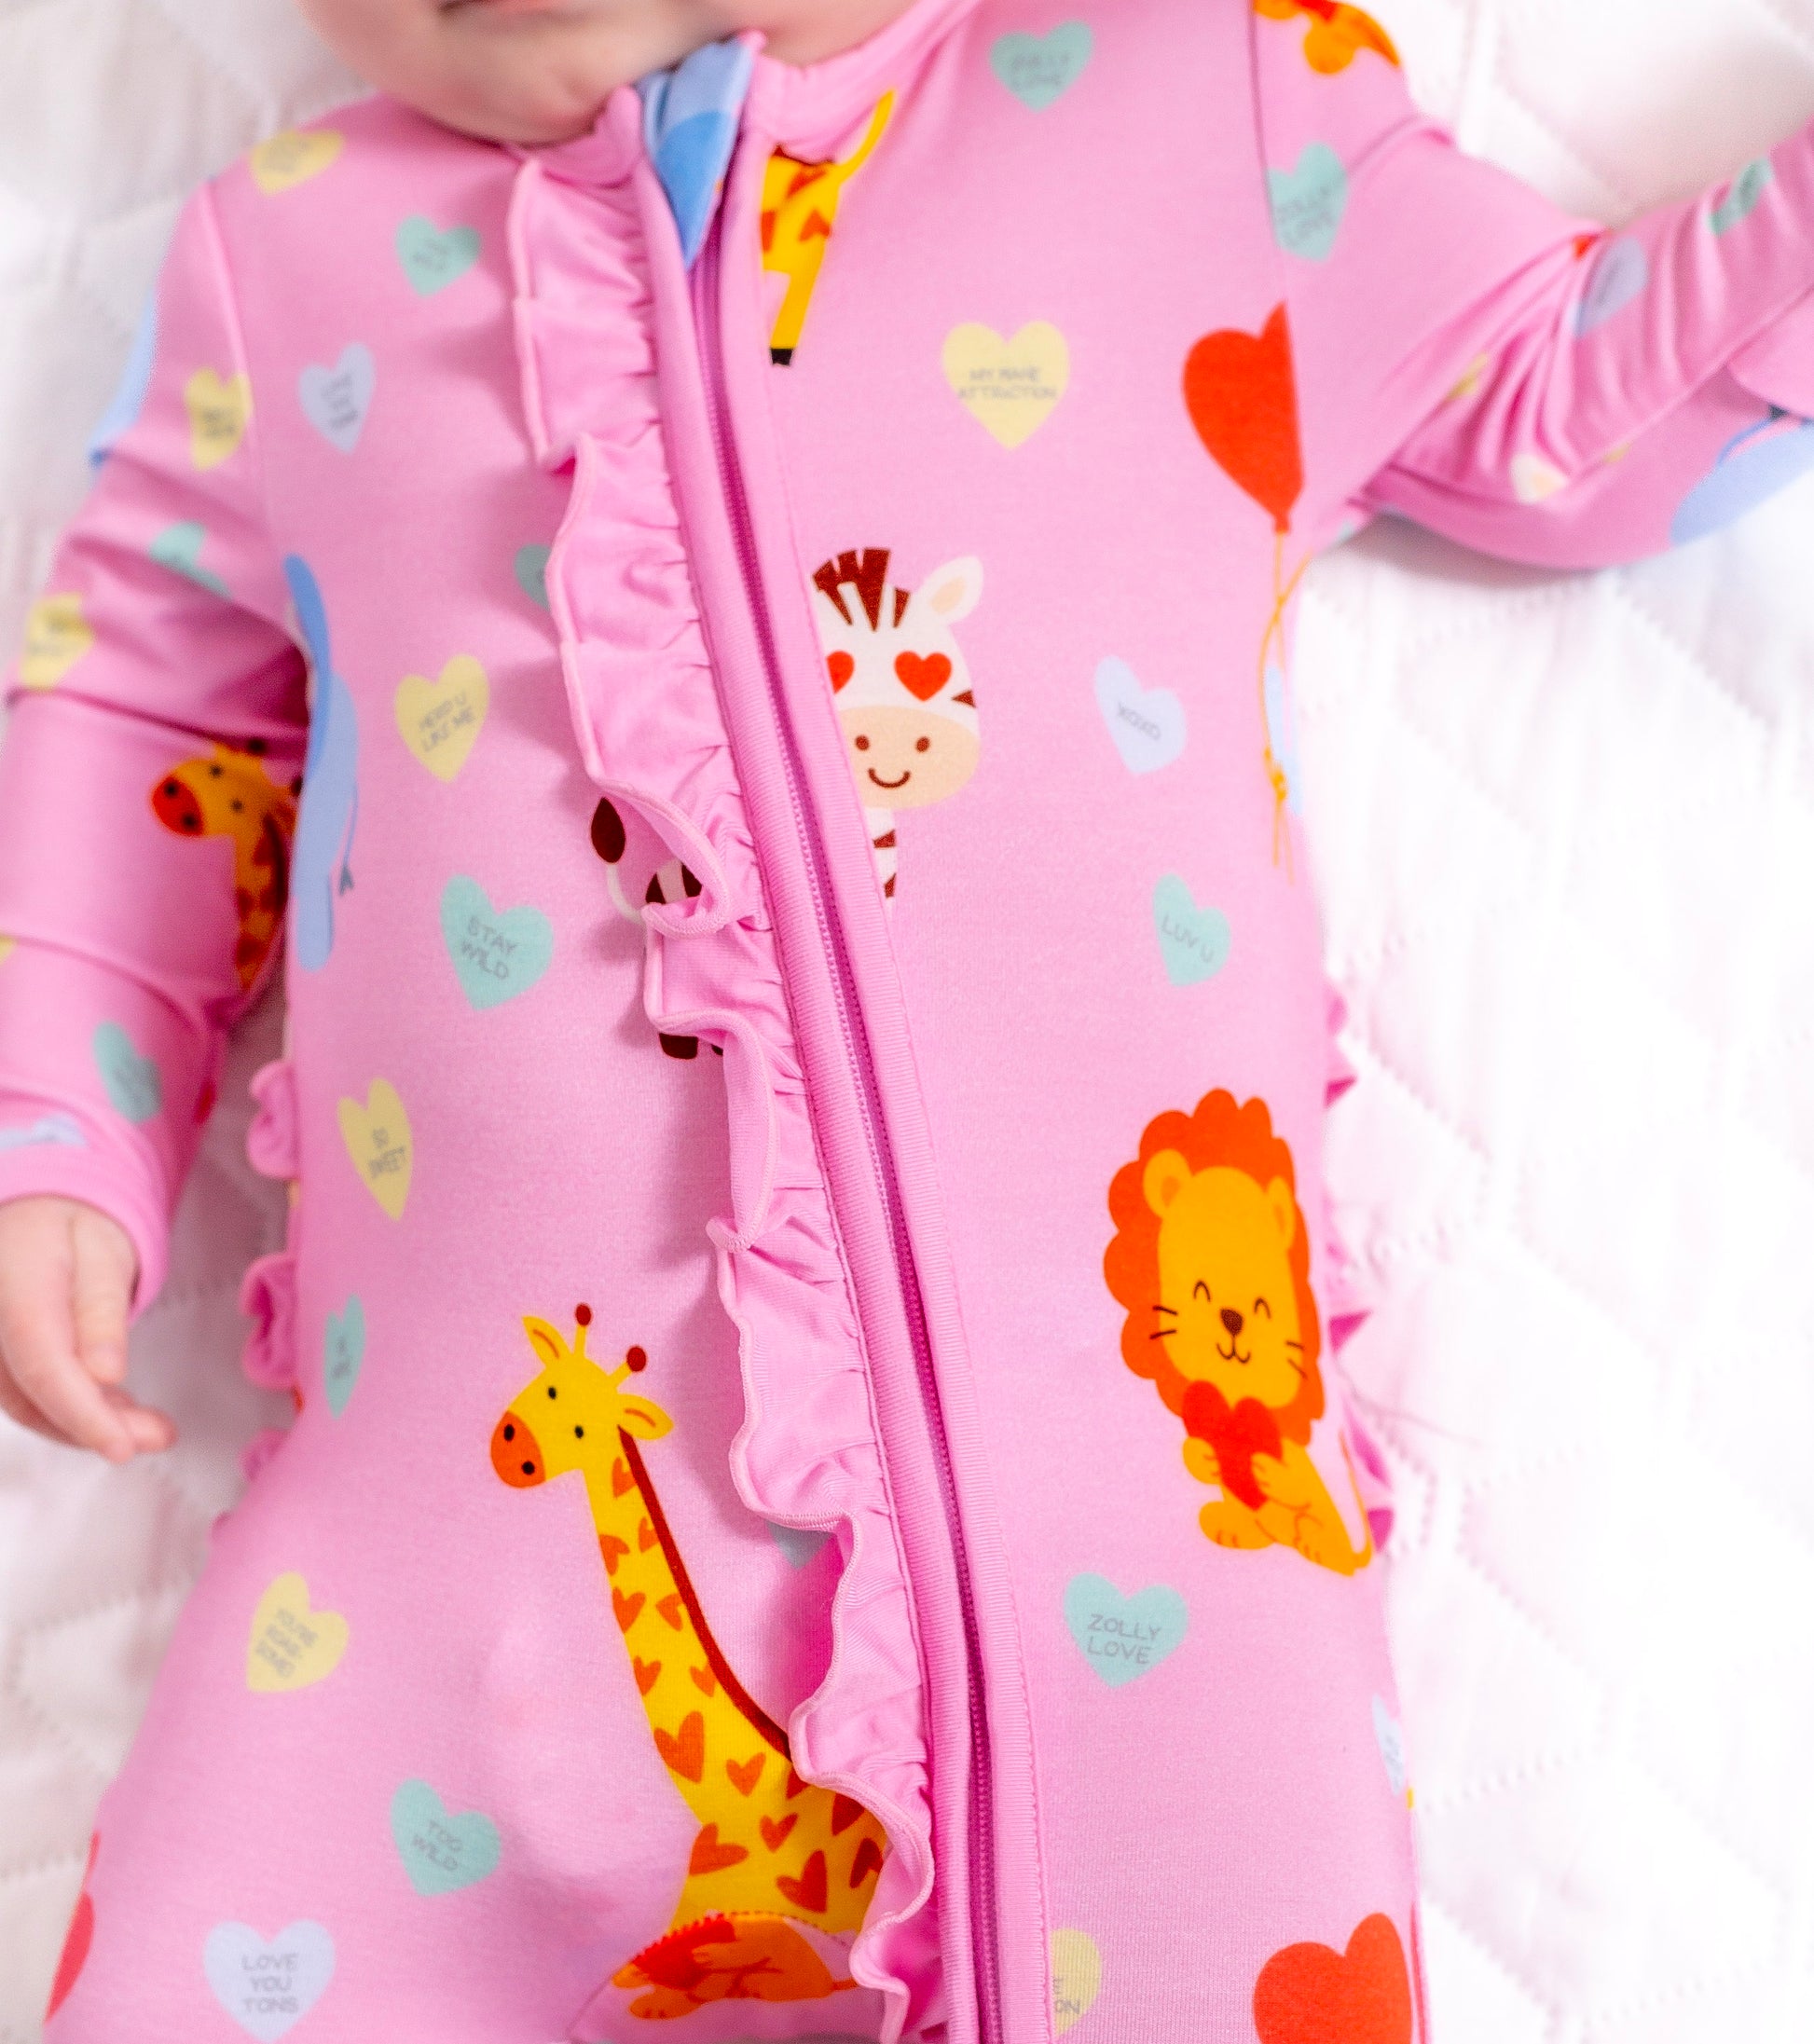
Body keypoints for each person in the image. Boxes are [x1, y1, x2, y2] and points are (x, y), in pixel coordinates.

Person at [4, 0, 1813, 2034]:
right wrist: (55, 1119)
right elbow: (143, 708)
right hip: (433, 1594)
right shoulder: (290, 254)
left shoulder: (1188, 93)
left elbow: (1565, 397)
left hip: (1136, 1554)